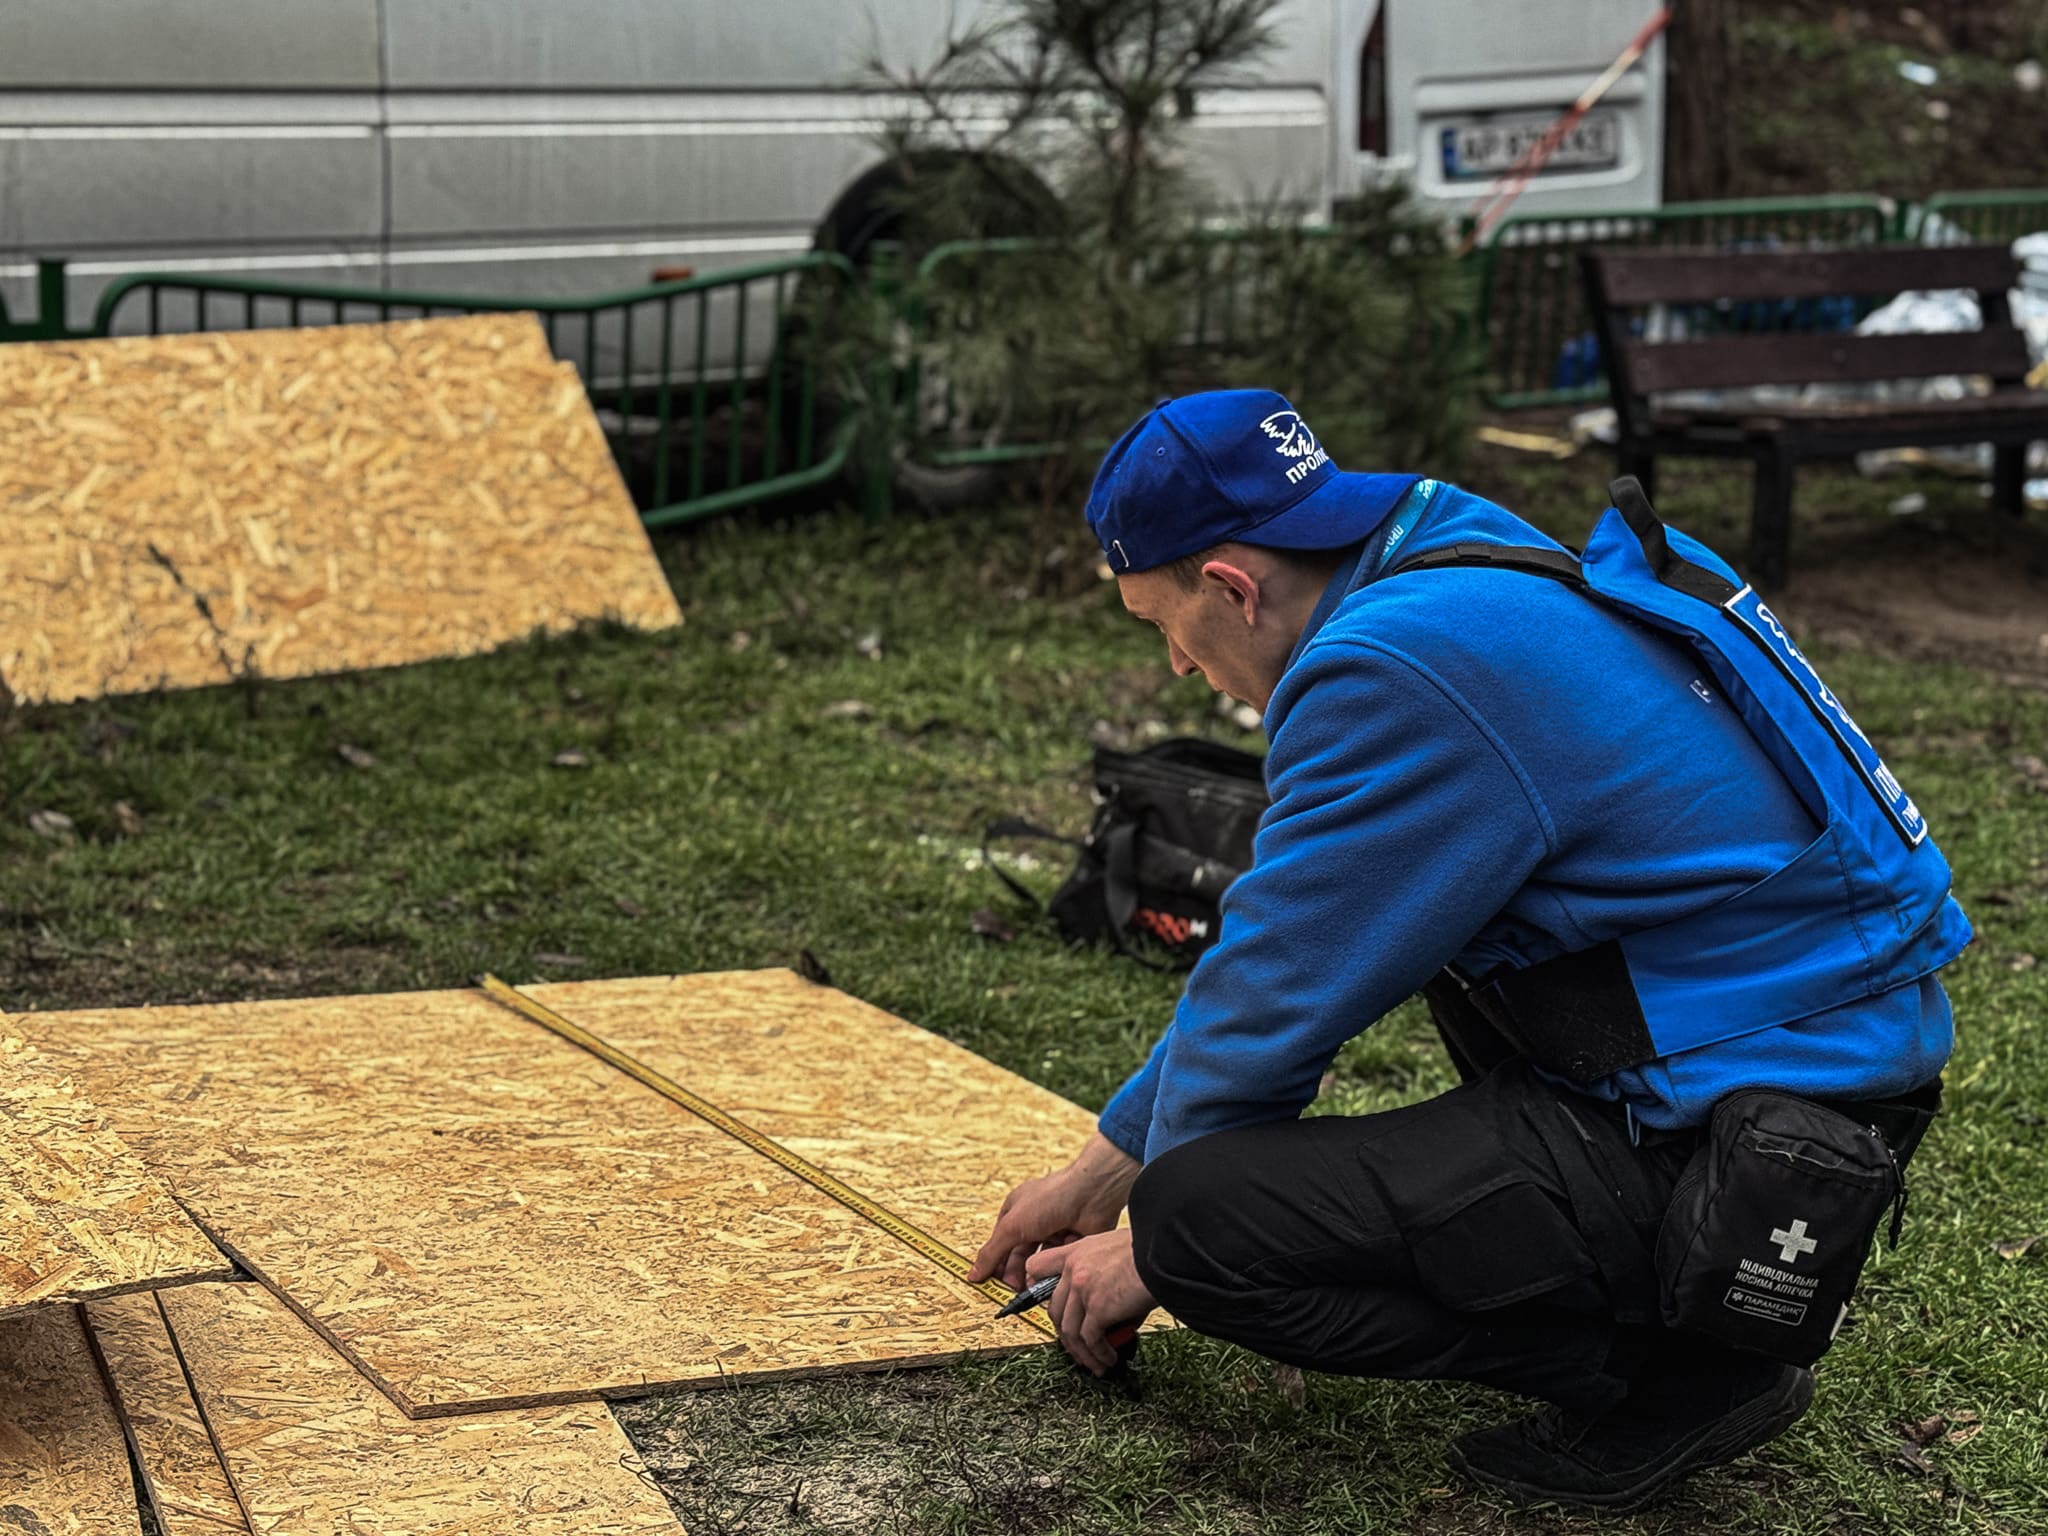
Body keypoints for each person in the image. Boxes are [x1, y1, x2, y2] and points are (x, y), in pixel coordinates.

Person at [965, 388, 1969, 1511]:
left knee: (1210, 1225)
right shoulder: (1451, 550)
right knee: (1422, 975)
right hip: (1794, 1066)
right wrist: (1100, 1170)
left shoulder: (1390, 672)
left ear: (1232, 589)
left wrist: (1153, 1241)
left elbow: (1270, 997)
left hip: (1750, 1143)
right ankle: (1639, 1299)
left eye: (1162, 628)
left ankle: (1677, 1372)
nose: (1177, 670)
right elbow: (1296, 955)